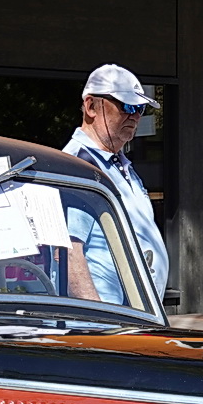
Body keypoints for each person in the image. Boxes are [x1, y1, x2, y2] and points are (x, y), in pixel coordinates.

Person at [63, 65, 169, 304]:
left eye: (140, 109)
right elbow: (68, 251)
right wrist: (98, 319)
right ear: (91, 106)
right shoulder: (80, 165)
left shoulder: (117, 164)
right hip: (105, 324)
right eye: (127, 106)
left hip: (134, 317)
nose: (135, 116)